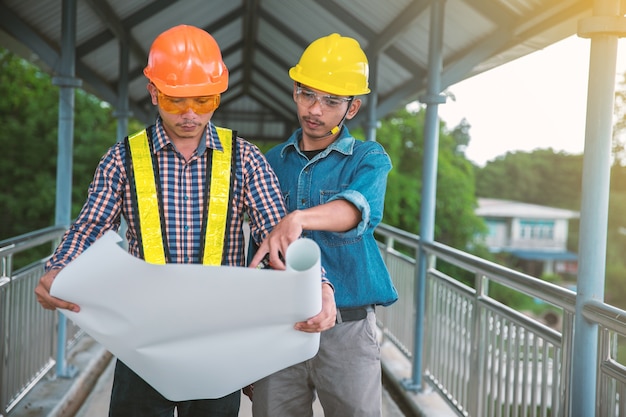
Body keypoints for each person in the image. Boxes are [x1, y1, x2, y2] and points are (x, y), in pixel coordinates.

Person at [34, 24, 334, 417]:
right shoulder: (122, 159)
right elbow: (92, 227)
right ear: (154, 92)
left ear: (219, 94)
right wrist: (58, 268)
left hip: (217, 341)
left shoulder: (244, 159)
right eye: (176, 101)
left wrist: (318, 288)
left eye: (204, 99)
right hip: (141, 340)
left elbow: (276, 232)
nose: (190, 114)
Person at [248, 33, 398, 417]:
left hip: (347, 328)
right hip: (278, 327)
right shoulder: (270, 162)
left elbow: (355, 211)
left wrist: (297, 218)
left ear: (352, 108)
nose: (315, 109)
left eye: (331, 101)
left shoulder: (368, 158)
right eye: (306, 94)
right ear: (295, 90)